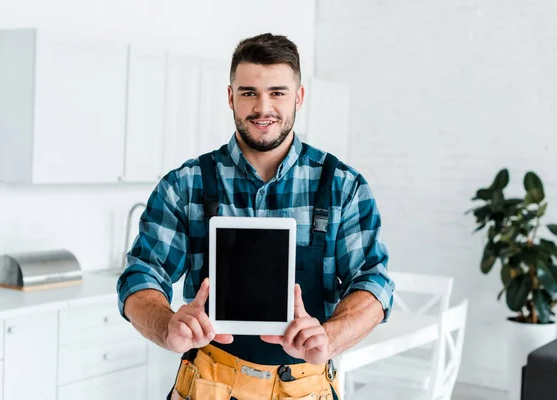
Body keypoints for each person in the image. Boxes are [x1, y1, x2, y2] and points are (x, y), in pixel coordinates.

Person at [117, 32, 395, 400]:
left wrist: (328, 337)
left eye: (277, 92)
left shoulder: (343, 186)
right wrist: (167, 324)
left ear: (299, 97)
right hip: (208, 384)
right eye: (249, 92)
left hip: (304, 387)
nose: (263, 108)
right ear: (231, 97)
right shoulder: (185, 184)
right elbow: (141, 276)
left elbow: (374, 283)